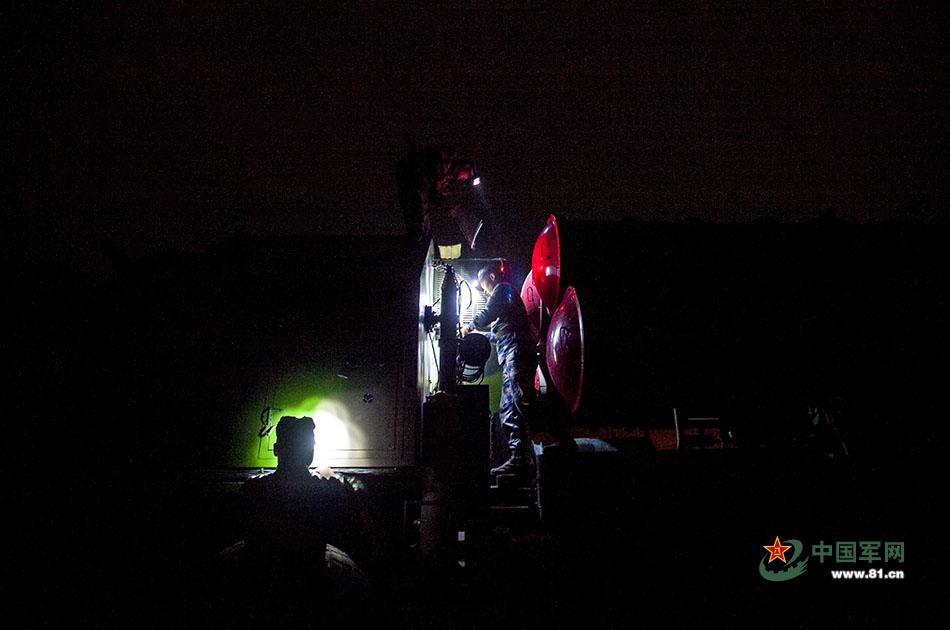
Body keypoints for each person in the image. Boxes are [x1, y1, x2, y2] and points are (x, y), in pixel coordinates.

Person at [462, 262, 537, 477]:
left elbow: (488, 313)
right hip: (512, 355)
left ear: (492, 277)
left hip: (516, 354)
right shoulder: (507, 308)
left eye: (484, 284)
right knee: (508, 408)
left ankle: (553, 438)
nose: (485, 291)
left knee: (521, 401)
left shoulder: (503, 290)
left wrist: (470, 325)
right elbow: (498, 334)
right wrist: (477, 336)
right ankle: (519, 458)